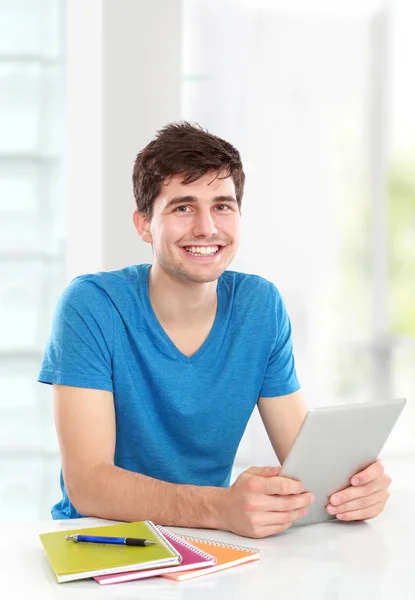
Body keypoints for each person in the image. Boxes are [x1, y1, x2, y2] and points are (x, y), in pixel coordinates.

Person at [38, 122, 391, 539]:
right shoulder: (91, 305)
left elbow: (305, 467)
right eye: (183, 207)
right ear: (144, 224)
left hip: (207, 543)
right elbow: (89, 486)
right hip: (100, 540)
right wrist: (221, 507)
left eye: (223, 206)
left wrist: (352, 490)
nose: (207, 228)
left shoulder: (259, 306)